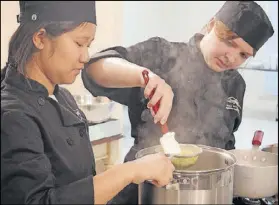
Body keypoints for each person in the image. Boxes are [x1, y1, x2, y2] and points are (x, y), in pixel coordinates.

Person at [81, 1, 275, 204]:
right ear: (211, 25)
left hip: (205, 196)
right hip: (145, 192)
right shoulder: (163, 54)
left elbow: (225, 144)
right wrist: (146, 77)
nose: (231, 57)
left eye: (243, 54)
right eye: (229, 42)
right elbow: (94, 70)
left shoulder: (236, 84)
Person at [1, 1, 176, 204]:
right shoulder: (12, 115)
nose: (85, 57)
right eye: (79, 43)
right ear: (40, 38)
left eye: (89, 45)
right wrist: (131, 170)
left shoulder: (63, 97)